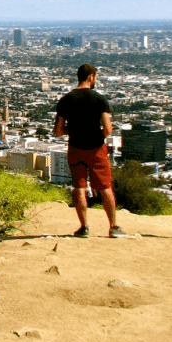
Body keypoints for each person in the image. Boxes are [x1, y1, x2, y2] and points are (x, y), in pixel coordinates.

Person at [54, 63, 127, 238]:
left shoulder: (66, 100)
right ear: (91, 77)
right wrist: (97, 136)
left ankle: (84, 227)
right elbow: (108, 129)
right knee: (105, 186)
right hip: (96, 148)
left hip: (75, 148)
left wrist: (73, 132)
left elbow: (58, 130)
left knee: (79, 187)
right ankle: (113, 226)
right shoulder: (100, 100)